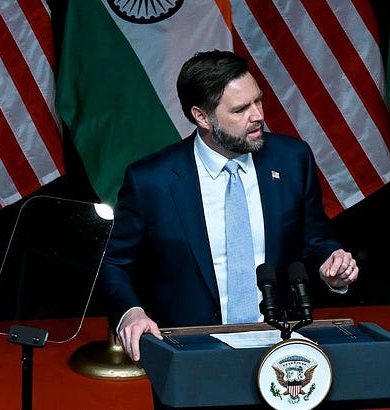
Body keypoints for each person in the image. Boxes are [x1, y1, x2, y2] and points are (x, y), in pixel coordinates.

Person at [97, 50, 359, 365]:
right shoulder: (152, 181)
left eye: (258, 101)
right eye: (240, 109)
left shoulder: (292, 159)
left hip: (281, 349)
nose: (258, 115)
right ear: (202, 117)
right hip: (189, 354)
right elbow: (112, 263)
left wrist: (333, 265)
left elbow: (315, 240)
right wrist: (130, 312)